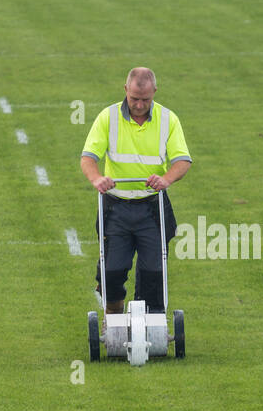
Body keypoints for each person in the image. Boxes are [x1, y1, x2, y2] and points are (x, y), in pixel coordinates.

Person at [80, 67, 191, 314]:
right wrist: (97, 179)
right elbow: (88, 157)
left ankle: (152, 322)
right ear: (125, 91)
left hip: (152, 208)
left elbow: (183, 161)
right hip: (115, 207)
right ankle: (114, 318)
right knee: (111, 271)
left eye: (145, 100)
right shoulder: (107, 117)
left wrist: (166, 179)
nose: (139, 105)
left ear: (155, 93)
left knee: (154, 270)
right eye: (134, 99)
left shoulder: (168, 120)